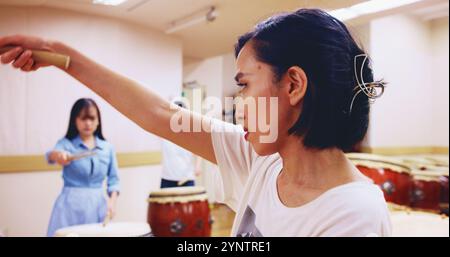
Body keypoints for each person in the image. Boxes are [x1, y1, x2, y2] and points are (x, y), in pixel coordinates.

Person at [0, 8, 391, 236]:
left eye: (244, 86)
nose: (238, 105)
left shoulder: (353, 216)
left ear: (293, 85)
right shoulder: (264, 161)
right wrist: (63, 55)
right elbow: (160, 114)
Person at [45, 98, 120, 236]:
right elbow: (50, 155)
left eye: (92, 118)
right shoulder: (66, 144)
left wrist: (112, 203)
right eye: (83, 118)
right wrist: (58, 156)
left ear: (98, 121)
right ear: (75, 120)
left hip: (98, 205)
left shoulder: (107, 148)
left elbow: (114, 181)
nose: (88, 123)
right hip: (69, 207)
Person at [161, 100, 202, 188]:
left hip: (187, 178)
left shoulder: (190, 133)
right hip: (168, 178)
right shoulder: (164, 130)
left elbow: (198, 151)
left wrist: (198, 166)